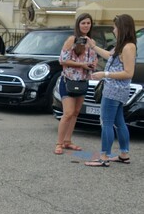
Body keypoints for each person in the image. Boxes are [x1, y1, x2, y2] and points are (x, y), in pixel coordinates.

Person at [85, 14, 137, 167]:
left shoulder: (128, 47)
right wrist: (93, 46)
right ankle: (123, 154)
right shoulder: (123, 45)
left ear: (122, 28)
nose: (114, 30)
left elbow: (129, 72)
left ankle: (104, 157)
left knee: (106, 123)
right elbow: (109, 55)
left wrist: (104, 74)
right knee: (119, 122)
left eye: (115, 27)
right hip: (117, 90)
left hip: (114, 90)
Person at [54, 13, 97, 155]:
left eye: (88, 23)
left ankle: (68, 141)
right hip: (68, 81)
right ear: (78, 25)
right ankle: (59, 143)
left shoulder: (91, 42)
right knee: (68, 113)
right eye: (83, 23)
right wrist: (82, 65)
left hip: (83, 82)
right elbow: (62, 60)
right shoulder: (72, 40)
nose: (86, 26)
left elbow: (94, 60)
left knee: (76, 113)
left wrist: (92, 65)